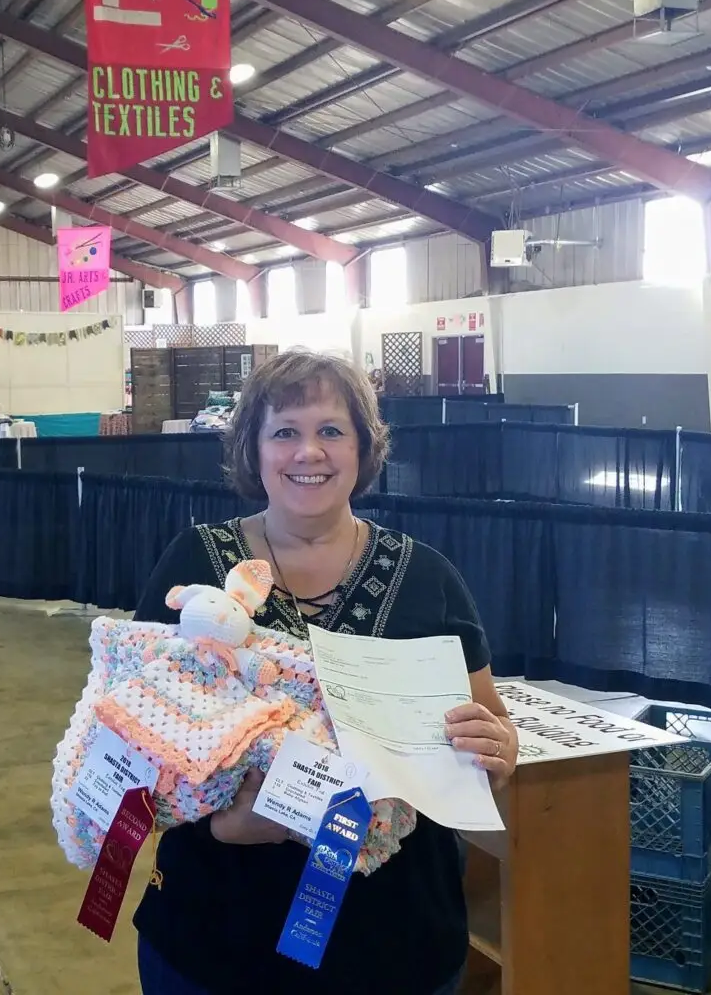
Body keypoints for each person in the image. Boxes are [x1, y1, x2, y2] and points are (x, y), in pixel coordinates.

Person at [132, 349, 518, 995]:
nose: (308, 452)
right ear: (252, 449)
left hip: (393, 945)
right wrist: (224, 824)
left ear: (364, 448)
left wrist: (496, 749)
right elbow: (133, 745)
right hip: (217, 937)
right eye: (285, 431)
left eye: (331, 431)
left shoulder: (427, 577)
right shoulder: (193, 565)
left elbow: (491, 729)